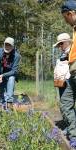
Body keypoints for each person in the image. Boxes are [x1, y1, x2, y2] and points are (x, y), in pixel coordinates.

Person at [61, 0, 76, 147]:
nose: (65, 21)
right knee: (65, 102)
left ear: (70, 14)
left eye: (65, 18)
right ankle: (74, 136)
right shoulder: (75, 29)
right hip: (73, 74)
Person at [0, 37, 21, 104]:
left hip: (10, 74)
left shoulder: (17, 56)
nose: (7, 46)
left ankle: (9, 101)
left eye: (9, 45)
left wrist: (3, 75)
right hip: (0, 74)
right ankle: (3, 102)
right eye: (6, 44)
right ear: (4, 44)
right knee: (2, 92)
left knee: (11, 79)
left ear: (12, 46)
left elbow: (14, 71)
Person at [53, 33, 71, 98]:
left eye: (61, 43)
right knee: (64, 104)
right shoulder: (64, 53)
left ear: (67, 42)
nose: (60, 46)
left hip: (68, 82)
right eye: (59, 44)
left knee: (66, 106)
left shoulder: (71, 52)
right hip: (62, 82)